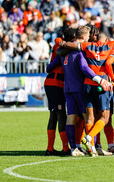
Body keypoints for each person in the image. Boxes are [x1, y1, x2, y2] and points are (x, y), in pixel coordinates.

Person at [47, 26, 113, 157]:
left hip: (67, 88)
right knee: (88, 117)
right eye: (88, 36)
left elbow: (49, 67)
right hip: (79, 88)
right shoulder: (80, 50)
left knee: (71, 118)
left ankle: (74, 148)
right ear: (83, 37)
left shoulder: (64, 52)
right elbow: (84, 68)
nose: (89, 38)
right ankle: (92, 147)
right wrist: (99, 79)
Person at [43, 28, 76, 156]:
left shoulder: (59, 43)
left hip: (53, 83)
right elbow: (51, 65)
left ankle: (50, 149)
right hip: (56, 83)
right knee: (61, 115)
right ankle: (65, 148)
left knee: (54, 116)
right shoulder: (62, 46)